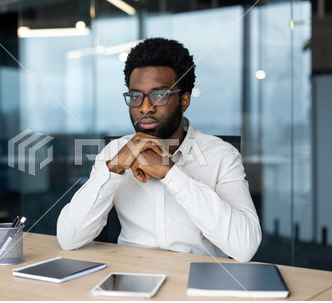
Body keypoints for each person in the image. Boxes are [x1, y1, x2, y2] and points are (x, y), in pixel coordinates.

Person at [56, 37, 261, 262]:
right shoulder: (114, 153)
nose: (145, 107)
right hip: (131, 277)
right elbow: (69, 239)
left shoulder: (221, 155)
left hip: (196, 279)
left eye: (160, 95)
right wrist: (113, 168)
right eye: (136, 96)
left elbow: (244, 247)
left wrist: (169, 173)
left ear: (184, 101)